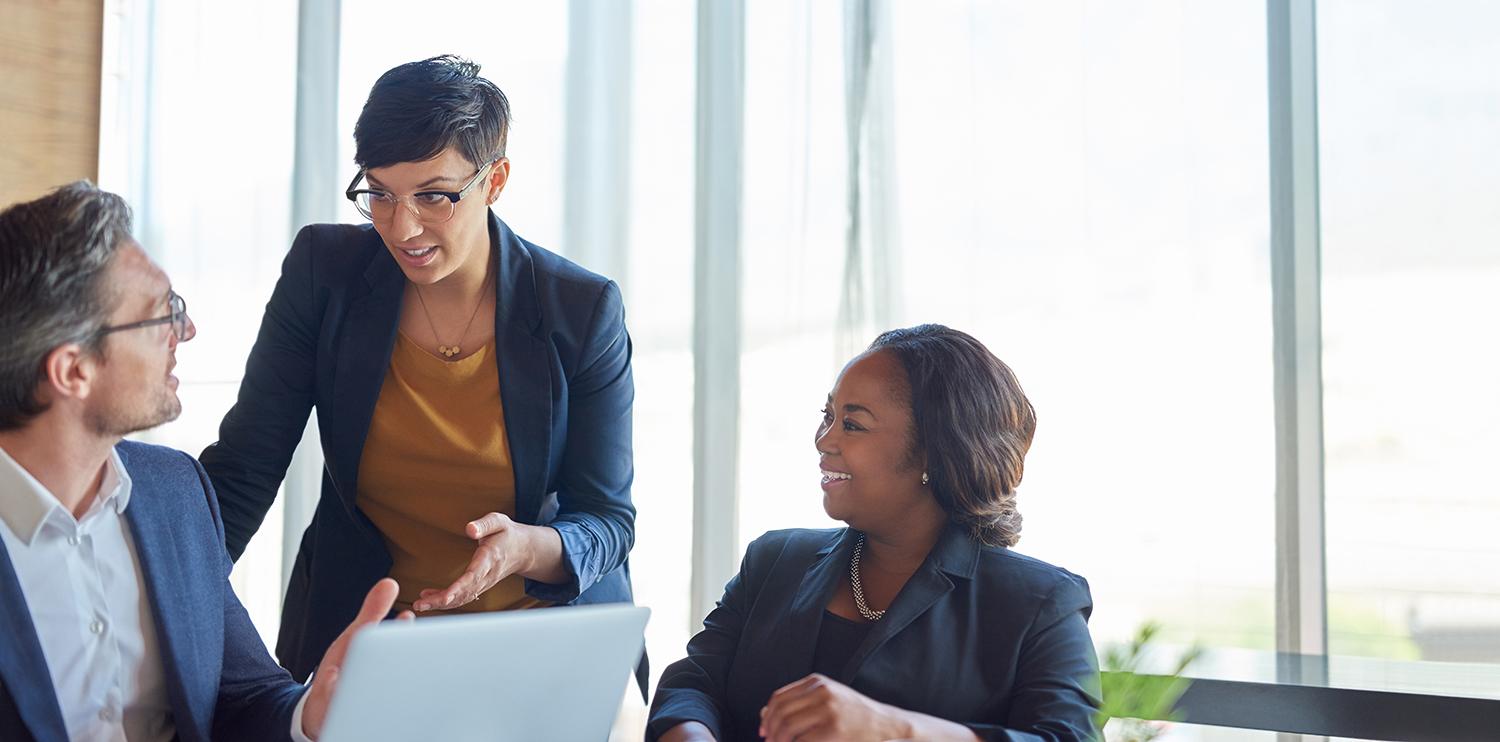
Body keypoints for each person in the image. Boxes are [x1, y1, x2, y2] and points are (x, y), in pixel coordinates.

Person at [198, 54, 641, 688]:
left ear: (495, 180)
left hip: (537, 644)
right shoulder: (325, 274)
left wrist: (528, 546)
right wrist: (159, 608)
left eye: (434, 196)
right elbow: (244, 470)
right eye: (378, 192)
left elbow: (607, 519)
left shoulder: (580, 309)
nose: (401, 227)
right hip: (367, 640)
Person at [0, 182, 407, 742]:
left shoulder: (176, 492)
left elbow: (244, 697)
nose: (184, 331)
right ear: (73, 370)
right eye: (159, 314)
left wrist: (308, 713)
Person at [648, 325, 1100, 741]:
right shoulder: (774, 560)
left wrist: (892, 730)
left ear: (932, 452)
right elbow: (694, 682)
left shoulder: (1042, 604)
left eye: (852, 423)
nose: (823, 440)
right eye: (827, 415)